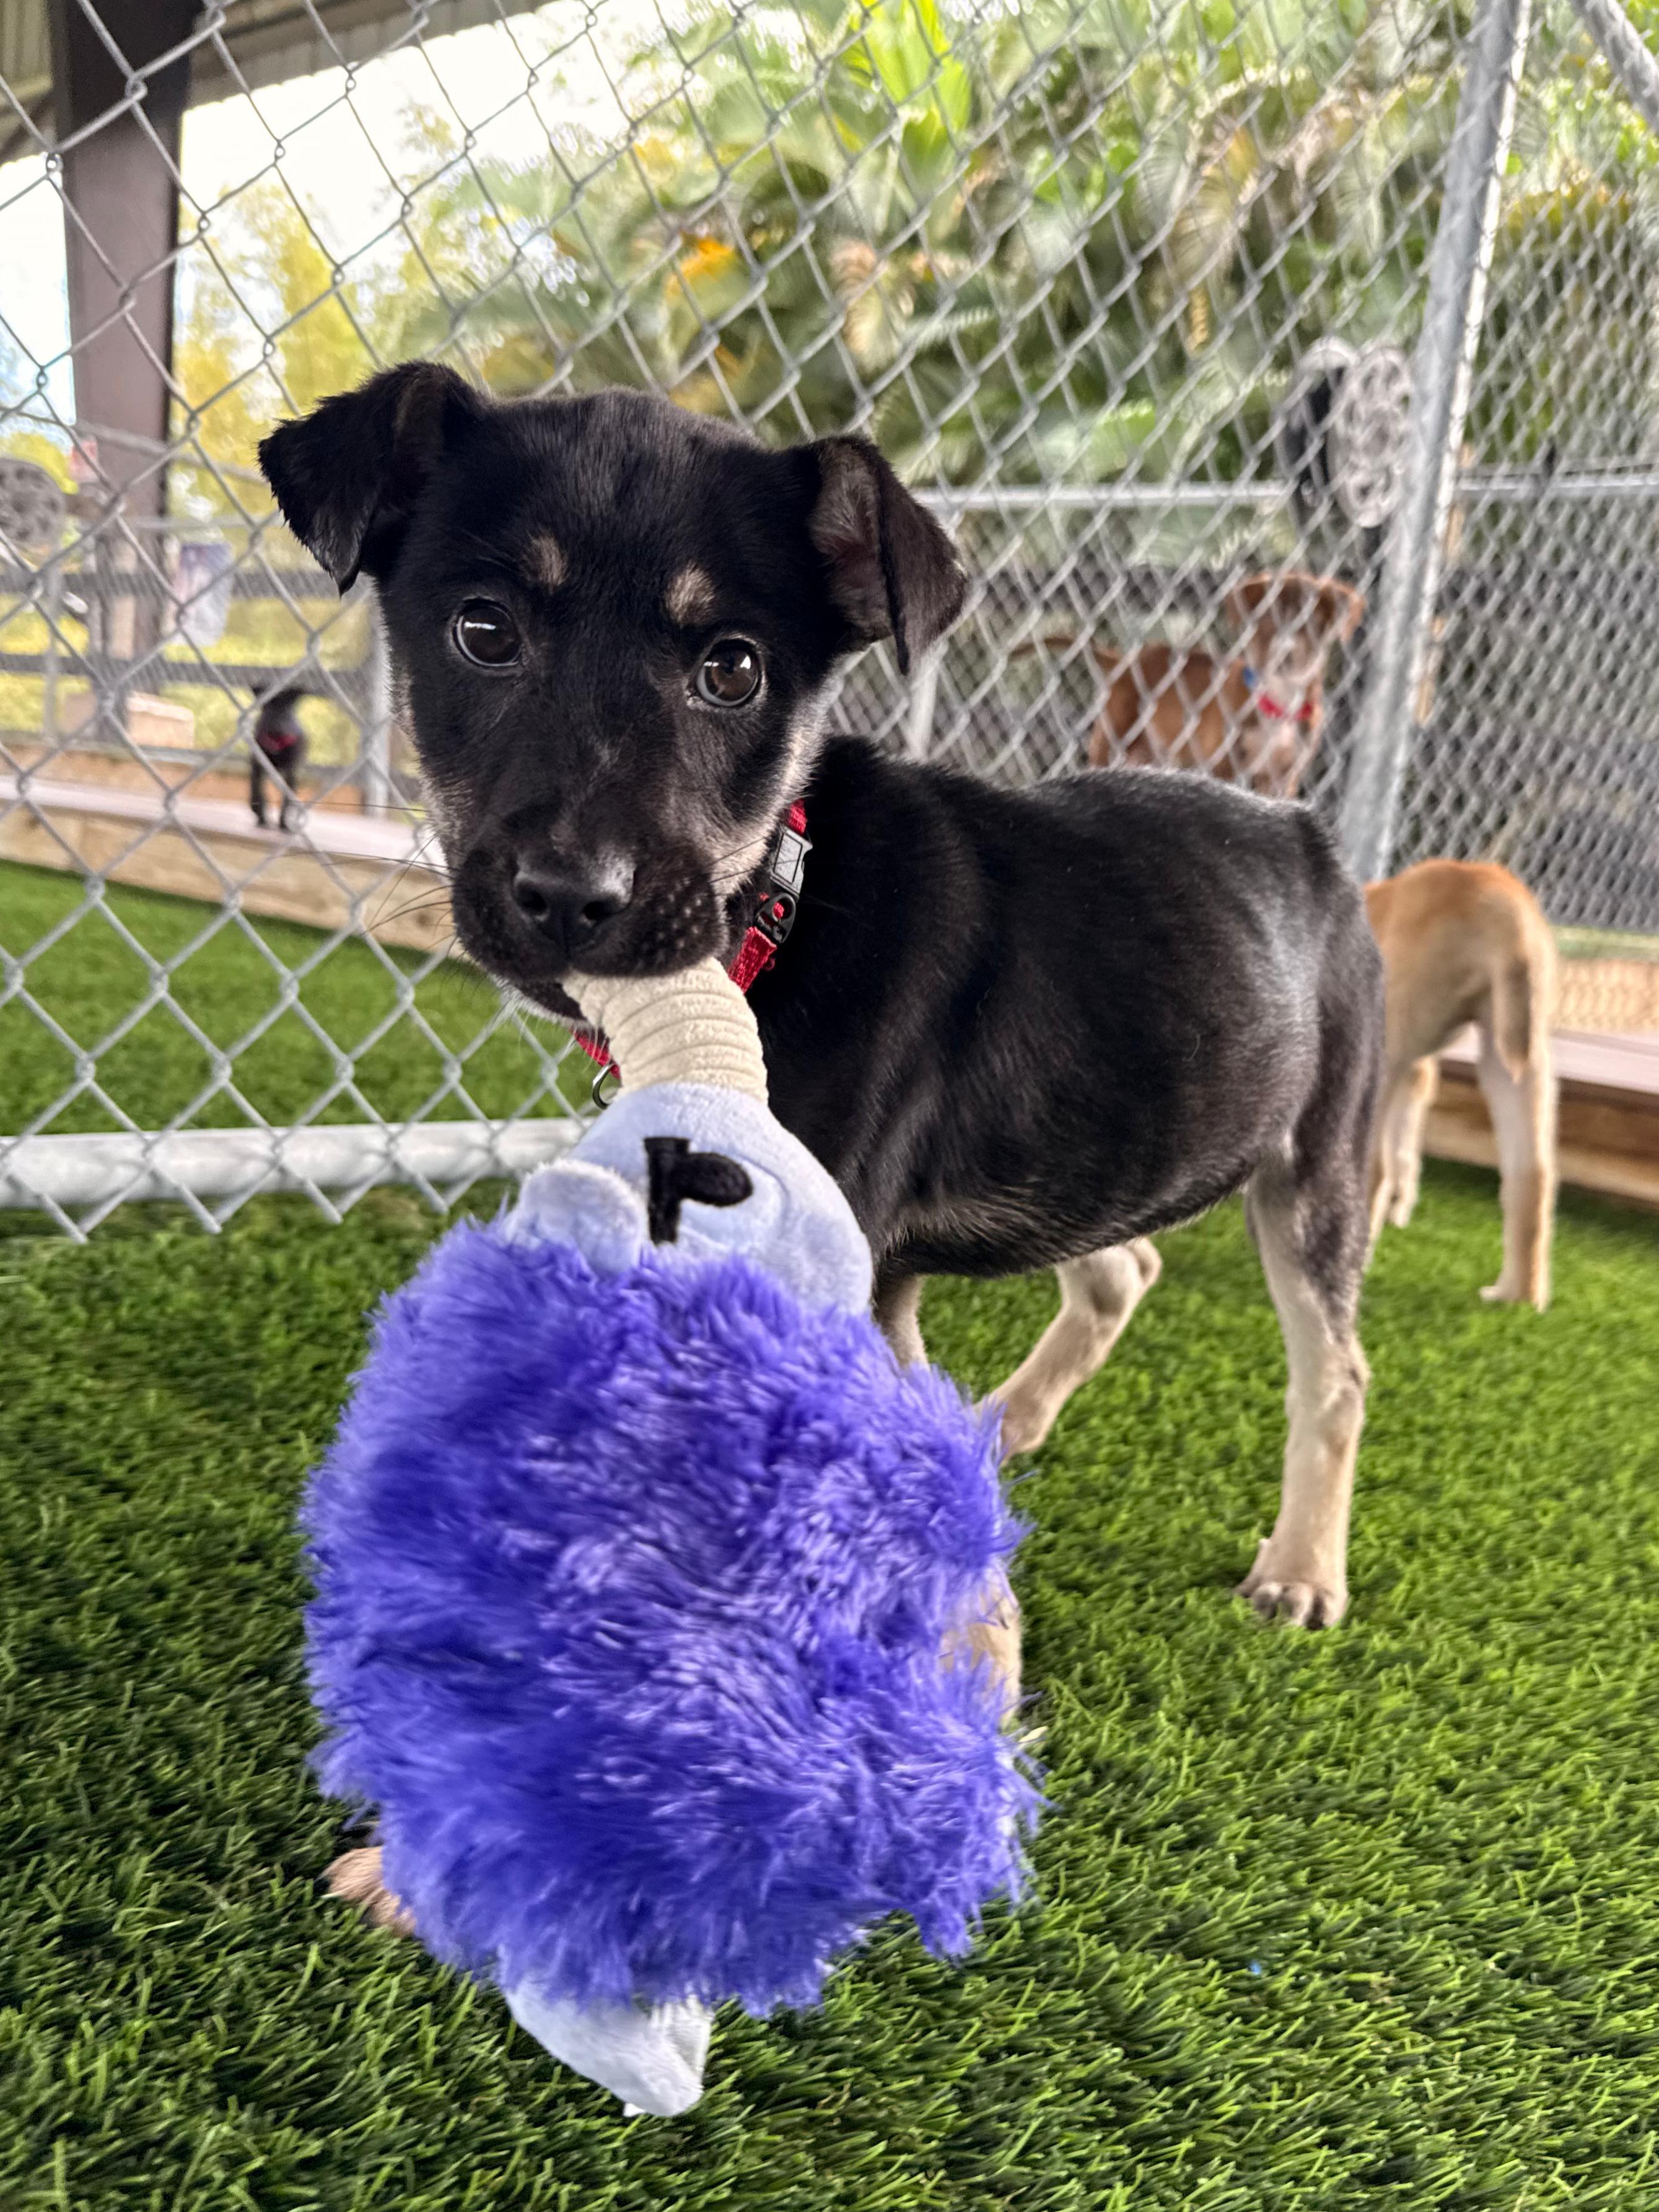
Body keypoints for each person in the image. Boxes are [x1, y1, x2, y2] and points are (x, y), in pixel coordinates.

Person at [249, 683, 308, 831]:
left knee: (290, 777)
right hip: (272, 736)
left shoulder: (290, 696)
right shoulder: (266, 694)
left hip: (286, 738)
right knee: (261, 774)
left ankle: (284, 818)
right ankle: (262, 814)